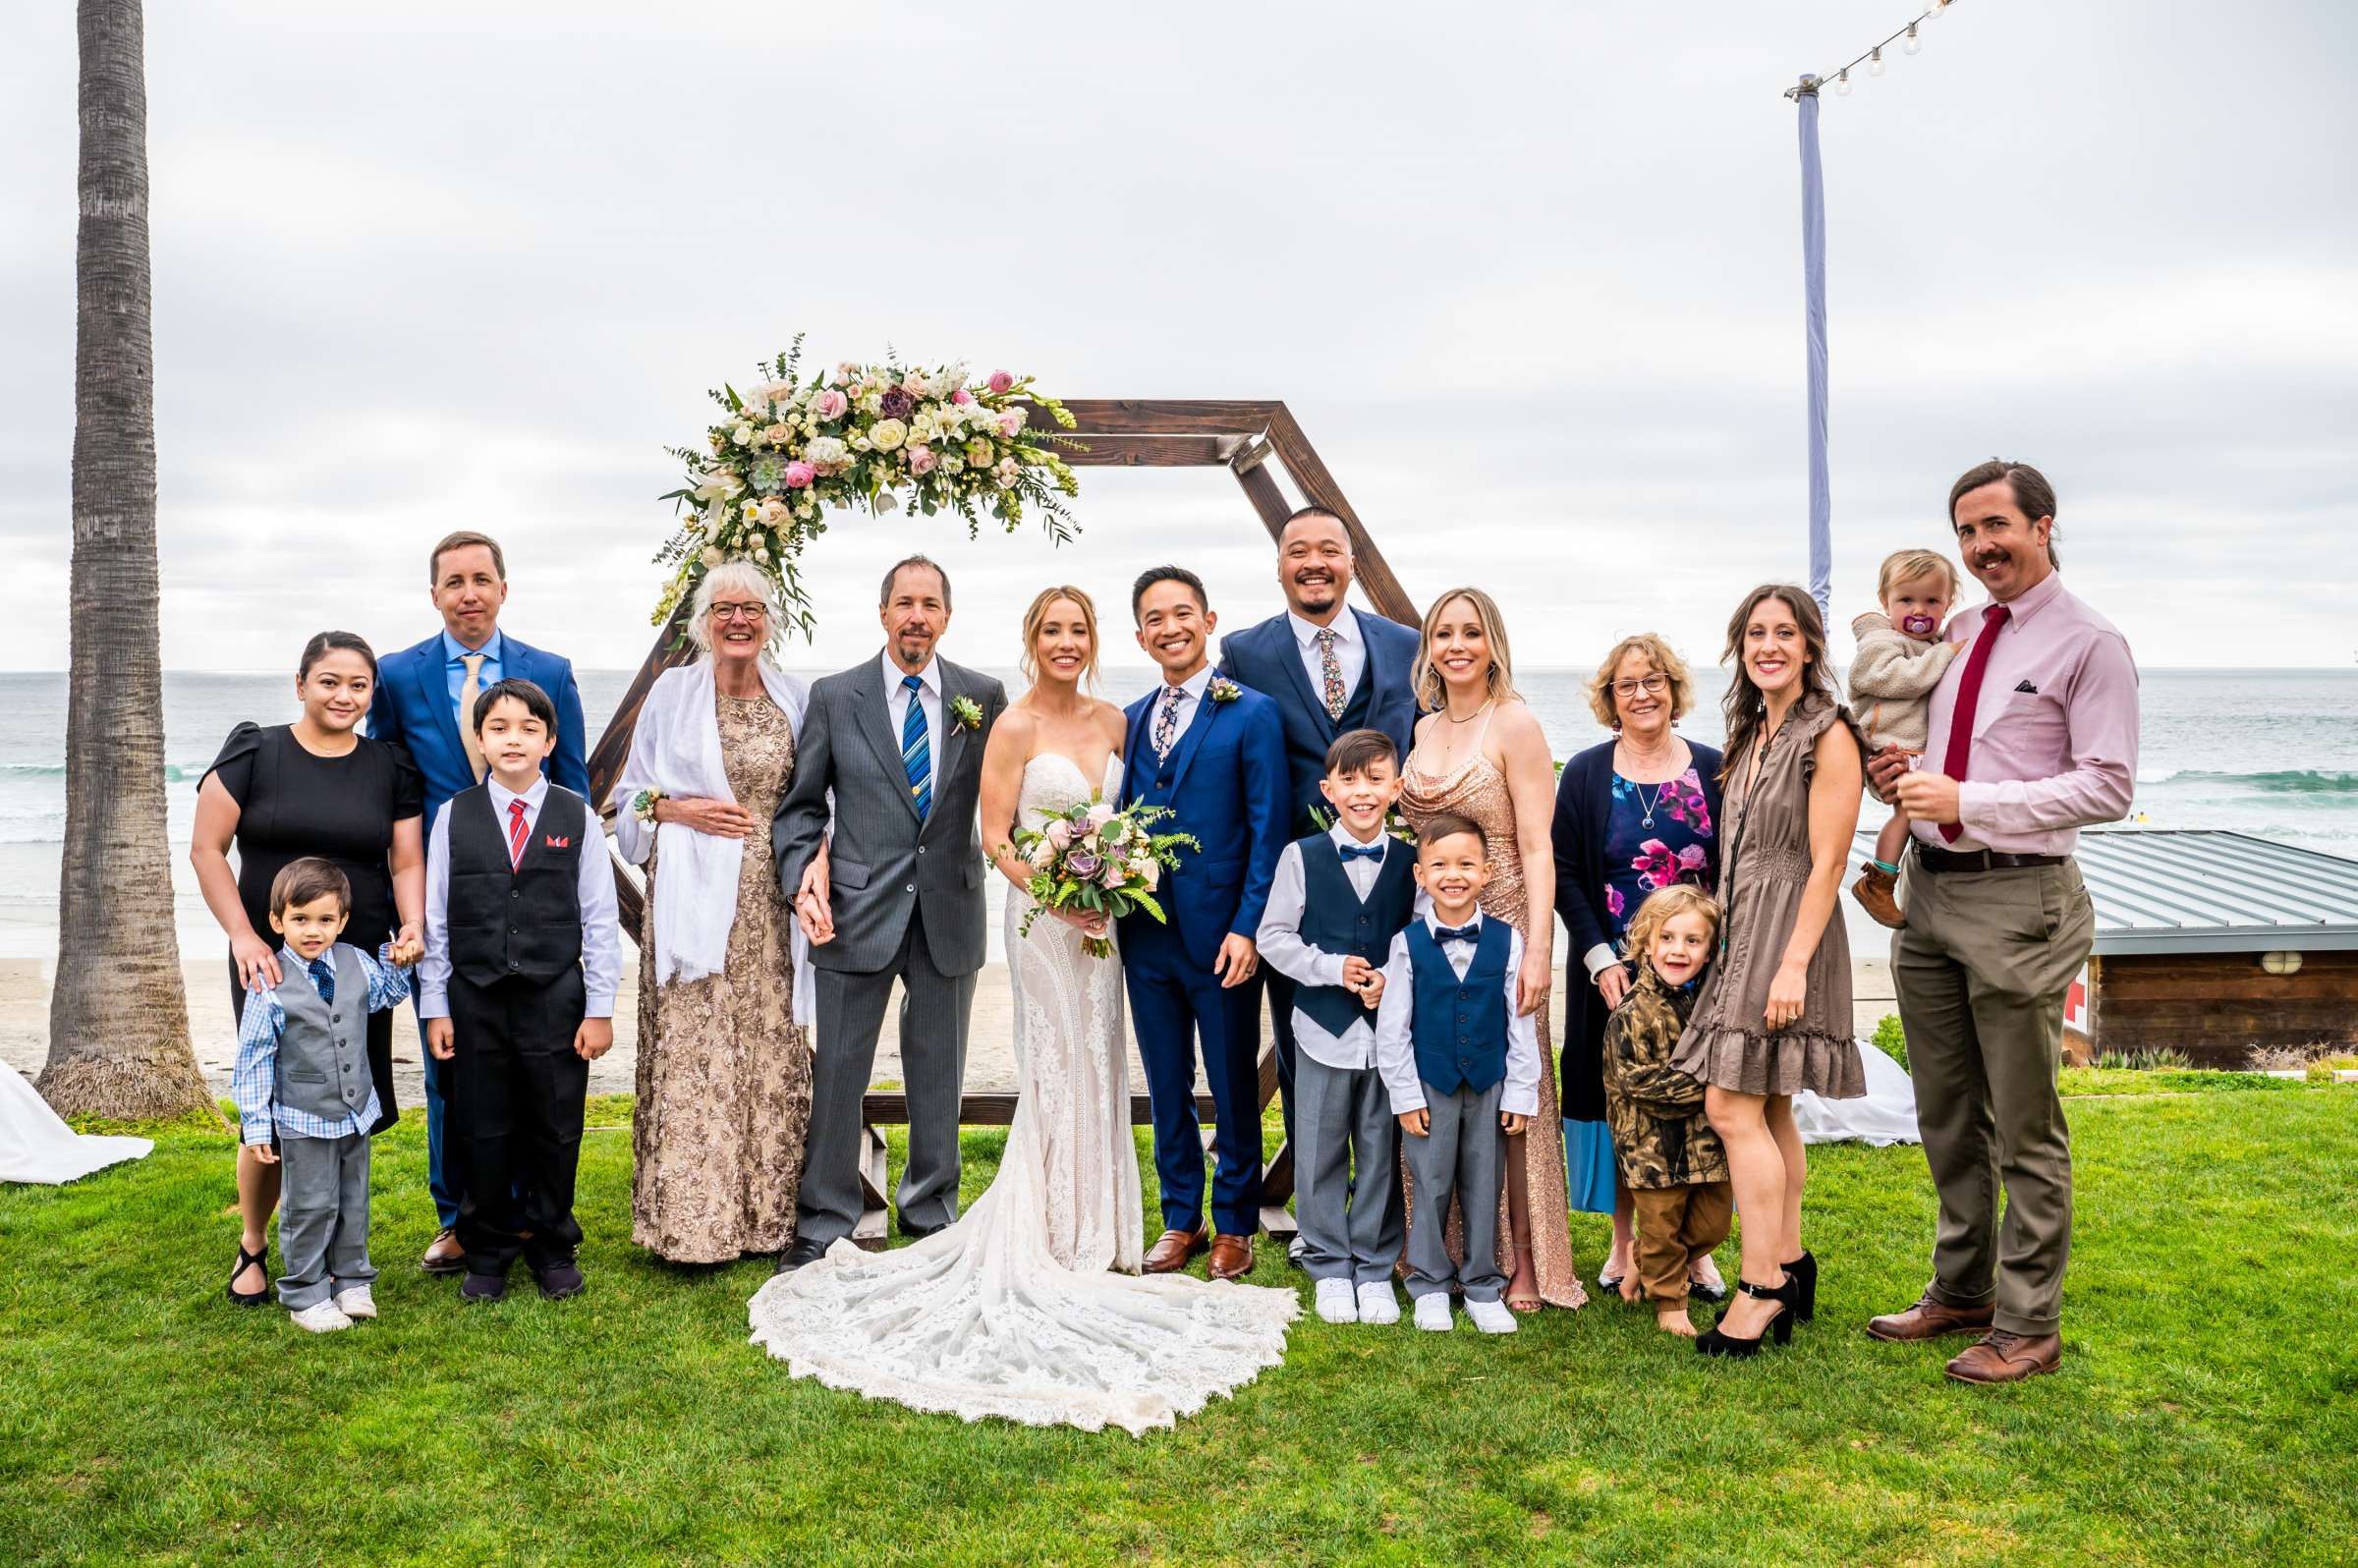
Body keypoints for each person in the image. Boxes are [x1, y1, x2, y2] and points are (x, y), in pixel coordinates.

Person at [745, 586, 1298, 1436]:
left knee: (1105, 1061)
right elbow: (993, 832)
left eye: (1080, 629)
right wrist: (1056, 889)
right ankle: (1047, 1226)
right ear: (1031, 639)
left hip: (1110, 927)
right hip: (1042, 922)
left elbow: (1151, 817)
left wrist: (1111, 881)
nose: (1066, 643)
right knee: (1052, 1063)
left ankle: (1114, 1227)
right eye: (1052, 630)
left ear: (1095, 639)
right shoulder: (1009, 724)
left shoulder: (1122, 721)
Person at [1864, 460, 2136, 1385]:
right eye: (1967, 531)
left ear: (2044, 526)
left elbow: (2108, 784)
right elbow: (1941, 746)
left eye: (1996, 527)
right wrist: (1899, 775)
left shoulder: (2091, 643)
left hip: (2023, 898)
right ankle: (1963, 1290)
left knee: (2025, 1124)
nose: (1982, 547)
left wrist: (1969, 796)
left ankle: (2029, 1323)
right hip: (1931, 893)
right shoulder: (1964, 628)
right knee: (1945, 1112)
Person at [771, 556, 1006, 1271]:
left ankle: (931, 1212)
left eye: (930, 604)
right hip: (852, 910)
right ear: (883, 614)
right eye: (904, 602)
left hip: (949, 909)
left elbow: (1006, 799)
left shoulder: (983, 695)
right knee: (840, 1071)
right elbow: (802, 807)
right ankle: (825, 1216)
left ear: (946, 616)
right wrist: (799, 883)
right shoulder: (836, 696)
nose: (917, 616)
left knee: (940, 1074)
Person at [370, 530, 590, 1275]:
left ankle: (532, 1215)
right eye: (454, 581)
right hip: (446, 885)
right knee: (452, 1067)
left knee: (537, 1065)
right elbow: (388, 780)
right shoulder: (398, 675)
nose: (469, 593)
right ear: (434, 594)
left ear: (503, 588)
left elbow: (575, 787)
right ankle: (459, 1218)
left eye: (482, 579)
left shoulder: (549, 672)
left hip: (535, 884)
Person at [192, 631, 422, 1308]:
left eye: (358, 685)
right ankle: (255, 1247)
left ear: (371, 694)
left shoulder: (389, 765)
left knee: (340, 1103)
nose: (343, 695)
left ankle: (337, 1260)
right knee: (271, 1098)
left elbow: (406, 860)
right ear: (300, 684)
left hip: (355, 960)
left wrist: (410, 927)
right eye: (329, 681)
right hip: (268, 958)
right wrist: (241, 935)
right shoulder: (255, 751)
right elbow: (208, 850)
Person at [1671, 585, 1866, 1359]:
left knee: (1730, 1106)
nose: (1769, 646)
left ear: (1811, 647)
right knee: (1771, 1104)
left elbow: (1829, 863)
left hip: (1793, 934)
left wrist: (1792, 965)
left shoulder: (1830, 733)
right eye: (1756, 633)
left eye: (1785, 633)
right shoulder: (1751, 733)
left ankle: (1758, 1290)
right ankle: (1788, 1260)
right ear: (1739, 647)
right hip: (1745, 929)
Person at [611, 561, 815, 1264]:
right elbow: (629, 799)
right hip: (692, 894)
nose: (738, 620)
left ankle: (765, 1221)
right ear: (702, 621)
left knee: (767, 1046)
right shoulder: (672, 694)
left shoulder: (796, 699)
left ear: (770, 621)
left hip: (767, 894)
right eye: (724, 607)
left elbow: (814, 800)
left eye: (752, 608)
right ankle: (694, 1225)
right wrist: (675, 808)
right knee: (696, 1050)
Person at [1214, 508, 1421, 1178]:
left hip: (1392, 879)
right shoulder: (1246, 652)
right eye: (1297, 550)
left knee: (1400, 1032)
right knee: (1304, 1042)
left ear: (1352, 562)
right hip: (1297, 881)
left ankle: (1395, 1203)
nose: (1313, 562)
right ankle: (1317, 1210)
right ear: (1279, 566)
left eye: (1328, 549)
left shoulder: (1403, 644)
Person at [1397, 588, 1582, 1313]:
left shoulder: (1517, 723)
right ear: (1430, 647)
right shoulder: (1423, 728)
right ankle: (1439, 1250)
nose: (1457, 645)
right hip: (1434, 927)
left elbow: (1539, 846)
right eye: (1444, 633)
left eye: (1471, 632)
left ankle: (1528, 1260)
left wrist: (1539, 949)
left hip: (1505, 921)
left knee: (1516, 1094)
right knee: (1443, 1084)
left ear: (1493, 641)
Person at [417, 679, 620, 1303]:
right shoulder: (454, 816)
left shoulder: (574, 814)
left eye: (528, 728)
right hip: (474, 1000)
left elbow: (599, 918)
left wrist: (600, 1009)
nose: (513, 739)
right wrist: (435, 1005)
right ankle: (487, 1248)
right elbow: (437, 919)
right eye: (499, 728)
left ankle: (553, 1243)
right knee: (480, 1125)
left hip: (554, 999)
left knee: (555, 1125)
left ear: (550, 741)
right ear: (479, 740)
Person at [1120, 566, 1289, 1280]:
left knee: (1230, 1082)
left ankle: (1236, 1224)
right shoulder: (1127, 718)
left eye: (1182, 613)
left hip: (1223, 935)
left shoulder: (1251, 711)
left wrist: (1249, 926)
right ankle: (1180, 1217)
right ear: (1140, 635)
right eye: (1155, 618)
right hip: (1144, 933)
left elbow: (1267, 826)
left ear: (1209, 620)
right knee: (1165, 1082)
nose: (1171, 627)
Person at [1549, 633, 1725, 1304]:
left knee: (1701, 1108)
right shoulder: (1588, 772)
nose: (1642, 693)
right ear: (1610, 699)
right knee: (1624, 1106)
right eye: (1628, 684)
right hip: (1612, 975)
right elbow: (1566, 873)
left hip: (1697, 971)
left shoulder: (1712, 765)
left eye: (1654, 680)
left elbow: (1730, 869)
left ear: (1674, 691)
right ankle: (1627, 1245)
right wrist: (1600, 960)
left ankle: (1697, 1251)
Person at [1255, 729, 1418, 1325]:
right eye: (1349, 780)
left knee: (1380, 1147)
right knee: (1319, 1146)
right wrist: (1327, 968)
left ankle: (1373, 1265)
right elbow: (1274, 938)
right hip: (1321, 1029)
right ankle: (1327, 1261)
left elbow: (1419, 939)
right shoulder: (1301, 856)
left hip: (1387, 1037)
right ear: (1328, 789)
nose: (1363, 791)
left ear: (1396, 787)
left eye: (1376, 779)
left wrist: (1390, 980)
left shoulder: (1412, 862)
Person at [230, 860, 416, 1332]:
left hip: (356, 1112)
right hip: (303, 1115)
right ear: (277, 922)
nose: (313, 931)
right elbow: (252, 1058)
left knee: (353, 1199)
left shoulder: (355, 962)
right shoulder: (269, 981)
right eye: (300, 919)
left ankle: (351, 1278)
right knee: (308, 1205)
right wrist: (255, 1124)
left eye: (325, 920)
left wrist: (396, 958)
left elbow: (385, 997)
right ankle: (306, 1291)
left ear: (342, 921)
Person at [1374, 814, 1537, 1334]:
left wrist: (1520, 1092)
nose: (1454, 874)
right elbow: (1392, 1028)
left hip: (1488, 1084)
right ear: (1420, 876)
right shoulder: (1406, 944)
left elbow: (1520, 1025)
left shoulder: (1508, 942)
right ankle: (1428, 1282)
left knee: (1484, 1183)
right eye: (1440, 865)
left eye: (1467, 864)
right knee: (1431, 1181)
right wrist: (1404, 1095)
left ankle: (1484, 1284)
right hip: (1430, 1085)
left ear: (1487, 873)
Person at [1600, 885, 1731, 1339]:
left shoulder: (1710, 1005)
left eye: (1693, 941)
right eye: (1668, 938)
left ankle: (1642, 1259)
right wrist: (1712, 1086)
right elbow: (1638, 1083)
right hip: (1650, 1148)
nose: (1679, 950)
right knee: (1661, 1224)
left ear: (1710, 948)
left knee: (1713, 1224)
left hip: (1705, 1143)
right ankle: (1671, 1303)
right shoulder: (1632, 1013)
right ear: (1646, 944)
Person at [1847, 549, 1963, 928]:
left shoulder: (1930, 643)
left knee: (1914, 811)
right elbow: (1890, 679)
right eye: (1907, 600)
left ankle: (1884, 877)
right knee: (1909, 811)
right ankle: (1879, 881)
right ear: (1885, 602)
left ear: (1948, 603)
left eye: (1932, 600)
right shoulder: (1881, 642)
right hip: (1893, 745)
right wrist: (1945, 654)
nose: (1920, 610)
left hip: (1915, 747)